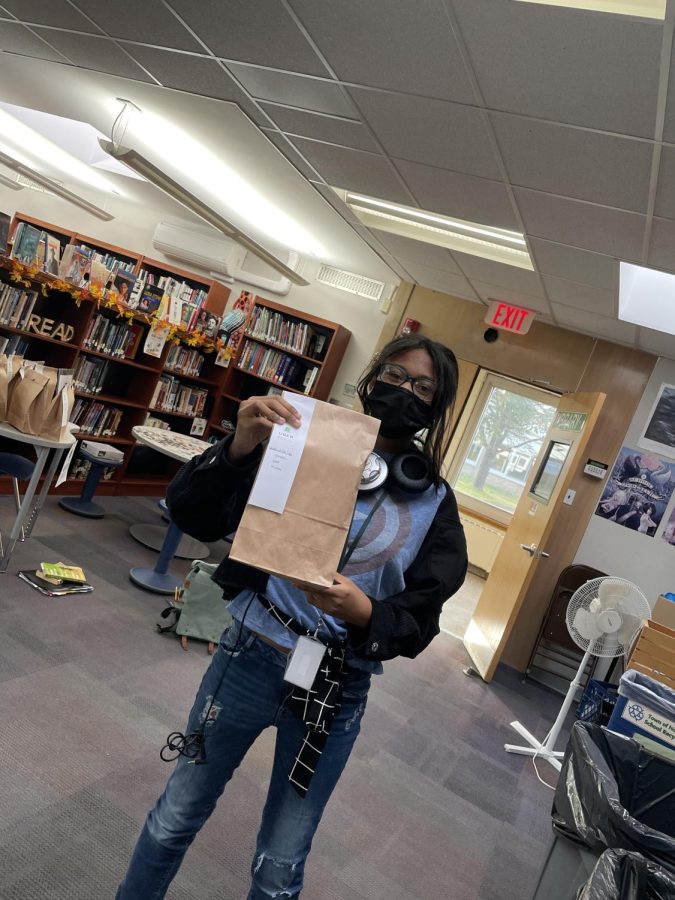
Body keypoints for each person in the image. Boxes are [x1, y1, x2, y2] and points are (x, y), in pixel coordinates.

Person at [115, 335, 468, 899]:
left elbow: (421, 619)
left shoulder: (434, 504)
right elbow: (193, 514)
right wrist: (240, 446)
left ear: (438, 406)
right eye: (396, 376)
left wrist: (369, 613)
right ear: (372, 378)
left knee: (280, 864)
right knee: (174, 817)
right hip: (247, 657)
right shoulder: (297, 443)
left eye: (423, 387)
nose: (405, 391)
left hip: (336, 688)